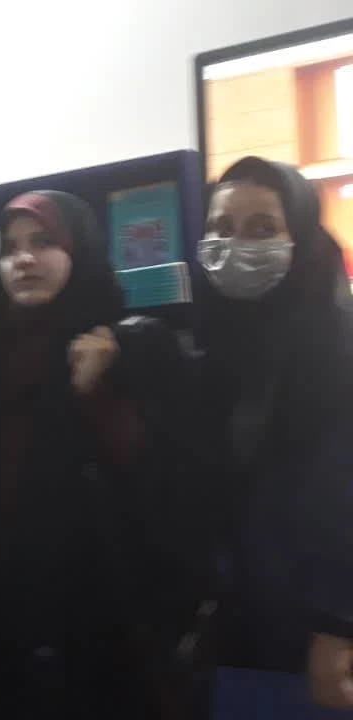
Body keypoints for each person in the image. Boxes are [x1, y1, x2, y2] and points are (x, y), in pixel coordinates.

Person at [0, 191, 188, 719]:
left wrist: (97, 395)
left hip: (107, 607)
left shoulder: (133, 346)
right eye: (11, 247)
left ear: (79, 250)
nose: (23, 259)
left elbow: (170, 481)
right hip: (6, 605)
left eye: (44, 242)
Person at [192, 156, 353, 711]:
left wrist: (338, 623)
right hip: (237, 619)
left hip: (323, 629)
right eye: (221, 227)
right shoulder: (212, 349)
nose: (237, 245)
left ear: (301, 237)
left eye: (263, 228)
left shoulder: (339, 351)